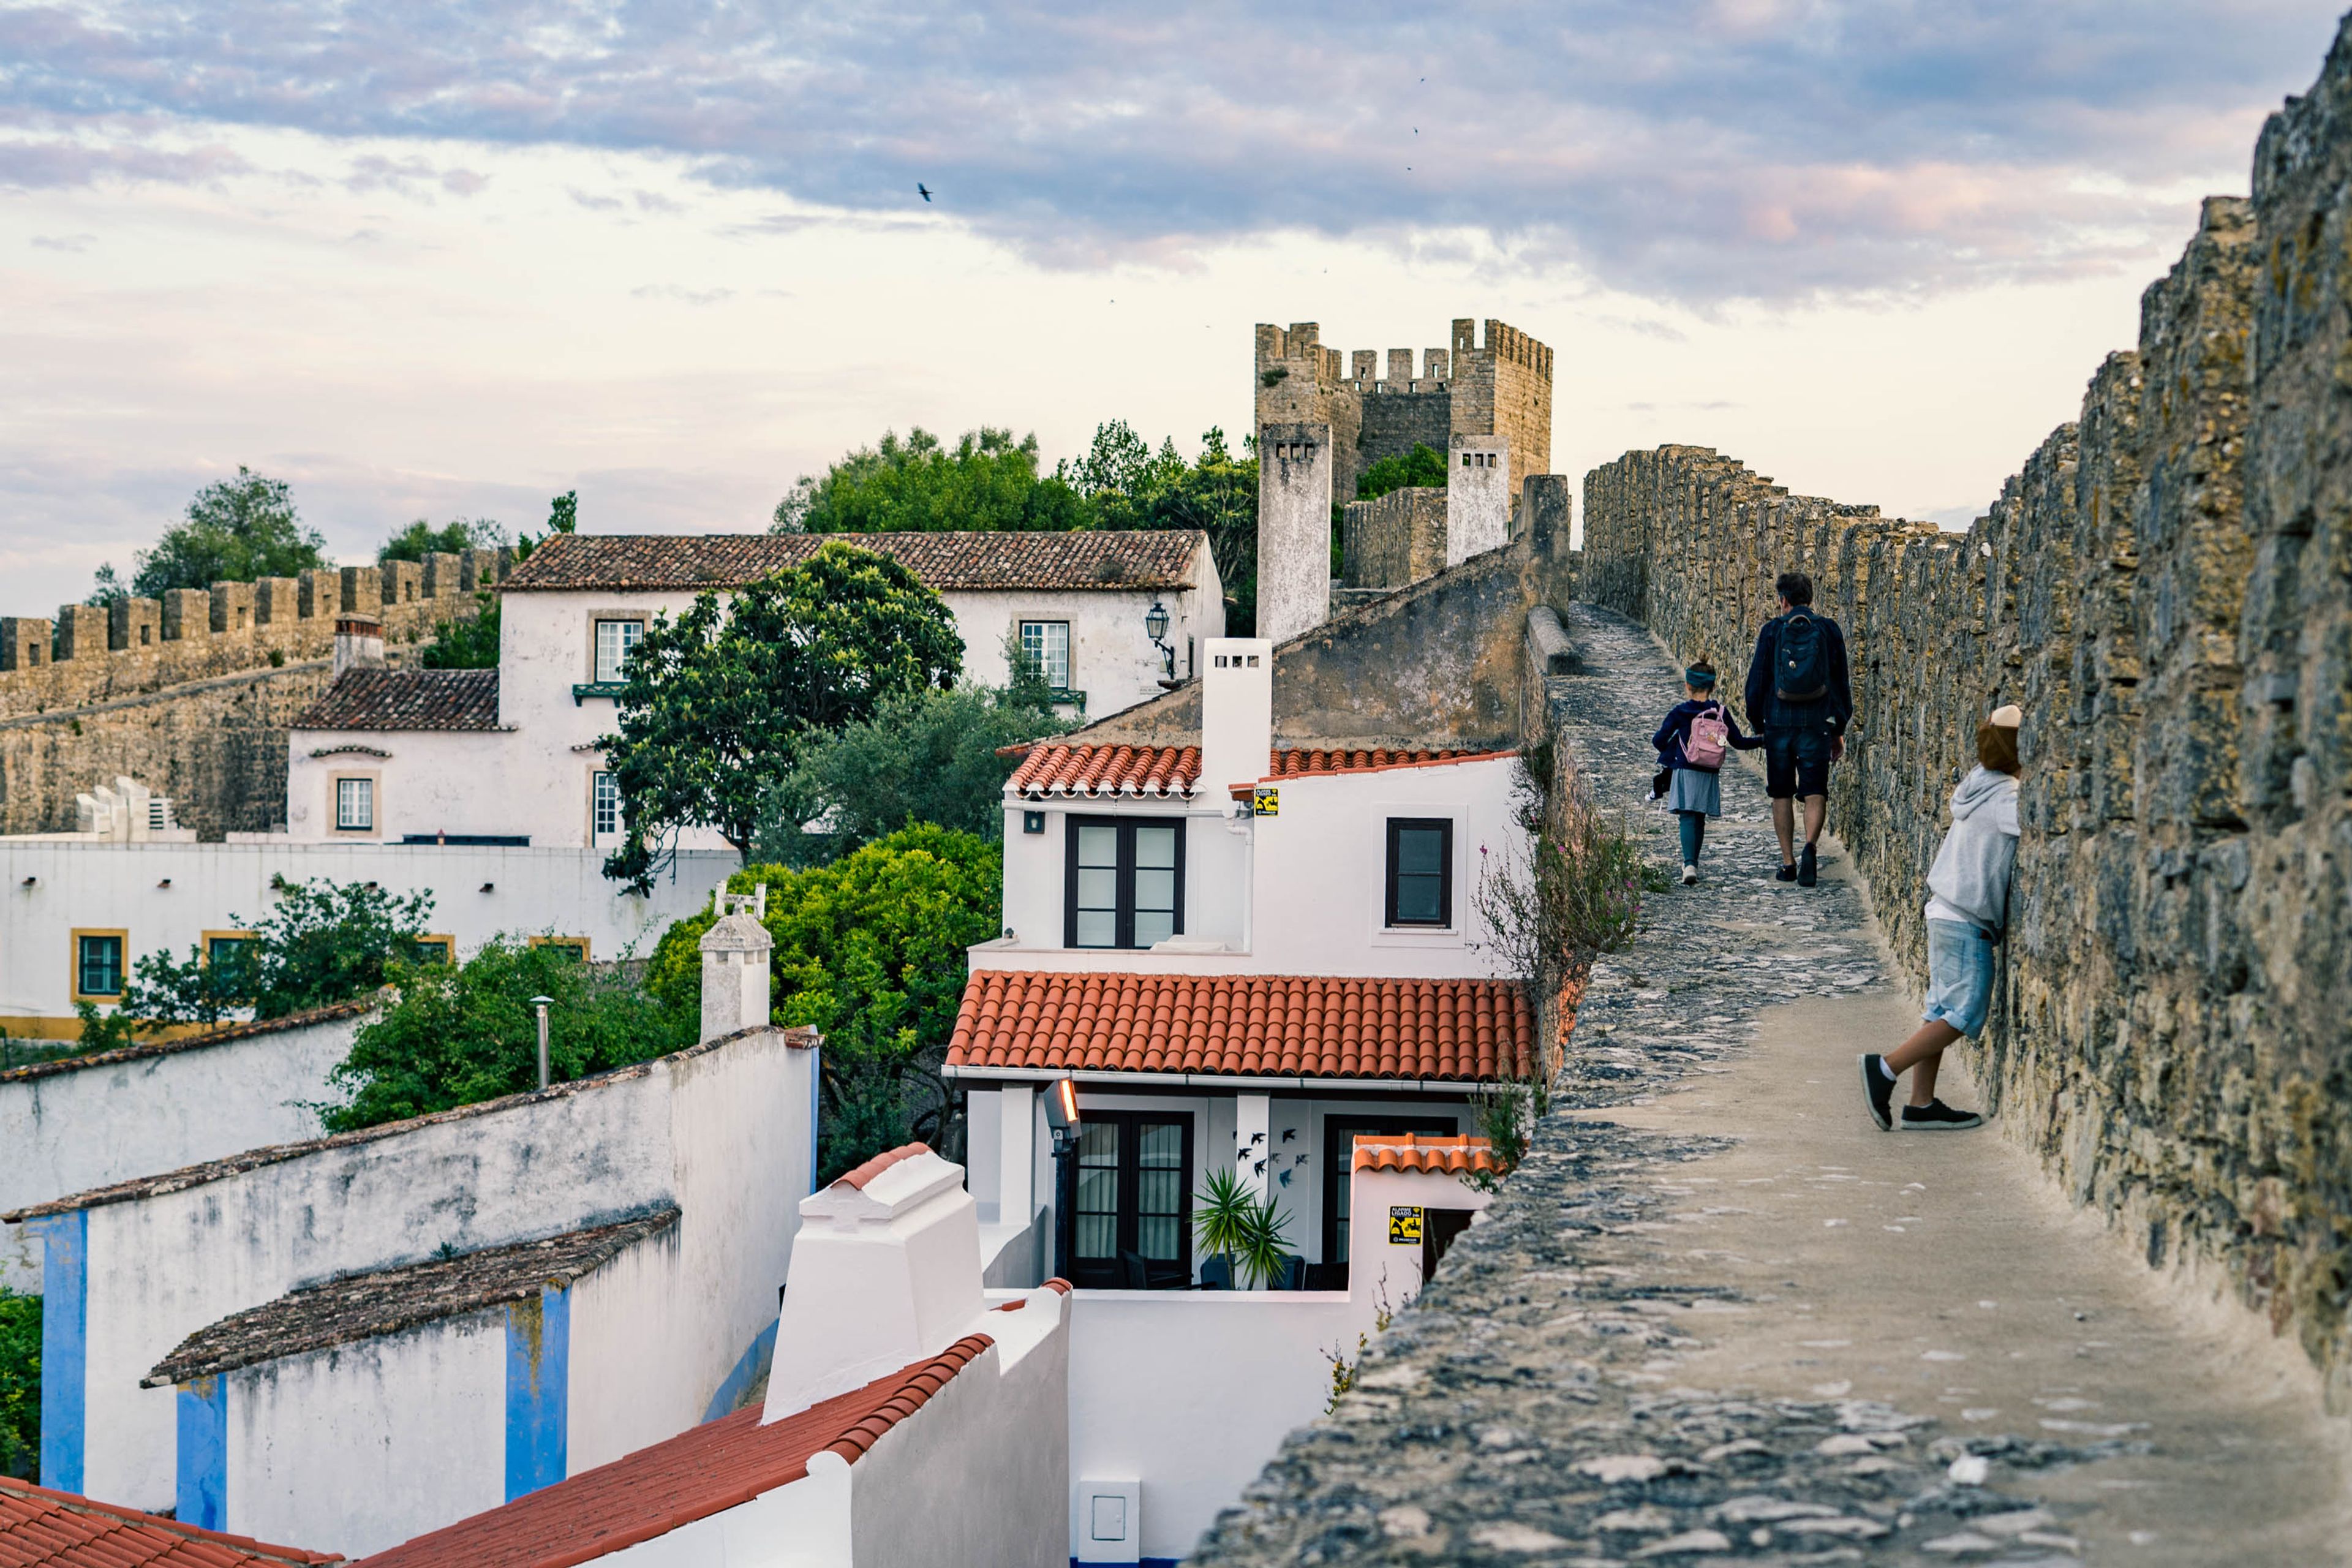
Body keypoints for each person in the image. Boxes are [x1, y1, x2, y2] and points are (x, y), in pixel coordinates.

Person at [1859, 704, 2024, 1133]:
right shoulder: (2007, 798)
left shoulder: (1977, 784)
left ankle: (1921, 1102)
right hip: (1967, 918)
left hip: (1942, 909)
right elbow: (2037, 824)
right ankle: (1886, 1069)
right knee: (1965, 1012)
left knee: (1940, 1007)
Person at [1744, 571, 1852, 887]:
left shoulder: (1772, 631)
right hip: (1817, 723)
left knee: (1781, 793)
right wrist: (1839, 728)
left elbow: (1757, 682)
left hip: (1778, 725)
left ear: (1784, 600)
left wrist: (1757, 723)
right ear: (1810, 598)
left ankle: (1789, 862)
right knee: (1815, 791)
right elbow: (1840, 683)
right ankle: (1810, 847)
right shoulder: (1829, 630)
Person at [1649, 660, 1761, 884]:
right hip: (1709, 770)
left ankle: (1689, 863)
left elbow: (1658, 740)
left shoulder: (1680, 712)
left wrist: (1674, 753)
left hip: (1686, 768)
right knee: (1698, 816)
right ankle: (1693, 863)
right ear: (1713, 687)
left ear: (1688, 686)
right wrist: (1763, 741)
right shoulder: (1720, 713)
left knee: (1687, 816)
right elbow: (1738, 743)